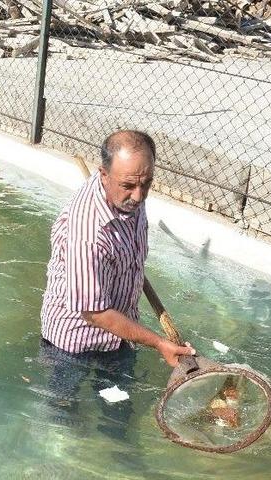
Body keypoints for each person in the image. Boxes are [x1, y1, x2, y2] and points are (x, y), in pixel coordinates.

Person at [37, 129, 195, 438]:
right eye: (127, 186)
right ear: (103, 175)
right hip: (73, 341)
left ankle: (119, 448)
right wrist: (160, 342)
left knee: (119, 408)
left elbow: (133, 215)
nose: (138, 196)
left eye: (146, 183)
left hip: (121, 332)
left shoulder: (131, 192)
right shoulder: (88, 233)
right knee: (61, 408)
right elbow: (93, 312)